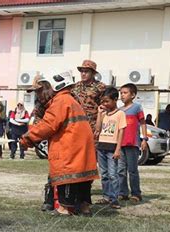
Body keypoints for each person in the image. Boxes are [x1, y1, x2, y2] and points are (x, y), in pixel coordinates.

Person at [20, 71, 98, 216]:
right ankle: (83, 206)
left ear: (53, 87)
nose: (39, 95)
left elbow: (48, 125)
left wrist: (28, 138)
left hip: (70, 147)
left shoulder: (60, 101)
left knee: (67, 175)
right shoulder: (71, 100)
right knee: (82, 177)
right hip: (81, 146)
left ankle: (64, 209)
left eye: (41, 90)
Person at [95, 87, 127, 209]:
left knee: (113, 174)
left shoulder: (120, 114)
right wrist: (99, 114)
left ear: (115, 99)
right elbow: (98, 129)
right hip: (101, 146)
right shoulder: (104, 113)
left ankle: (114, 199)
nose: (105, 104)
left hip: (112, 147)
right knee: (104, 174)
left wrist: (118, 149)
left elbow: (121, 132)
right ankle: (106, 196)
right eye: (103, 101)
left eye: (107, 101)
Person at [118, 83, 148, 202]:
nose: (122, 95)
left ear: (133, 95)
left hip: (132, 144)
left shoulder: (137, 108)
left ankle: (136, 193)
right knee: (121, 170)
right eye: (121, 93)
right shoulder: (119, 110)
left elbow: (143, 123)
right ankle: (123, 192)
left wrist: (144, 139)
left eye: (125, 93)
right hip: (120, 144)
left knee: (132, 170)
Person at [71, 60, 106, 134]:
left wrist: (99, 126)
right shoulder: (75, 86)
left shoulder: (100, 87)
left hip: (93, 126)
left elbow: (105, 108)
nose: (83, 74)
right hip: (77, 124)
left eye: (86, 71)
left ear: (93, 73)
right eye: (82, 71)